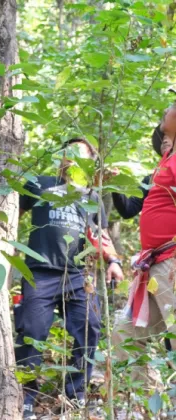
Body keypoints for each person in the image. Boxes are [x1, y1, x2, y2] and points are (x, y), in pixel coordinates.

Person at [16, 139, 124, 419]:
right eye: (69, 151)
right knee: (31, 332)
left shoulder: (91, 197)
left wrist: (113, 261)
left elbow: (100, 234)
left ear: (90, 161)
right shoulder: (39, 183)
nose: (73, 157)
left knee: (90, 326)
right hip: (39, 271)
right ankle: (26, 399)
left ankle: (75, 397)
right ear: (61, 157)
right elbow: (11, 213)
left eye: (81, 153)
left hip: (77, 276)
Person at [112, 105, 176, 392]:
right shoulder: (164, 162)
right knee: (125, 333)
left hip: (172, 262)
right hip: (153, 266)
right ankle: (150, 403)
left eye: (172, 107)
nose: (166, 109)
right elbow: (128, 208)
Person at [111, 124, 173, 218]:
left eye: (169, 136)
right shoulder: (151, 180)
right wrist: (115, 183)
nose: (164, 140)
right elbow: (128, 210)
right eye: (163, 137)